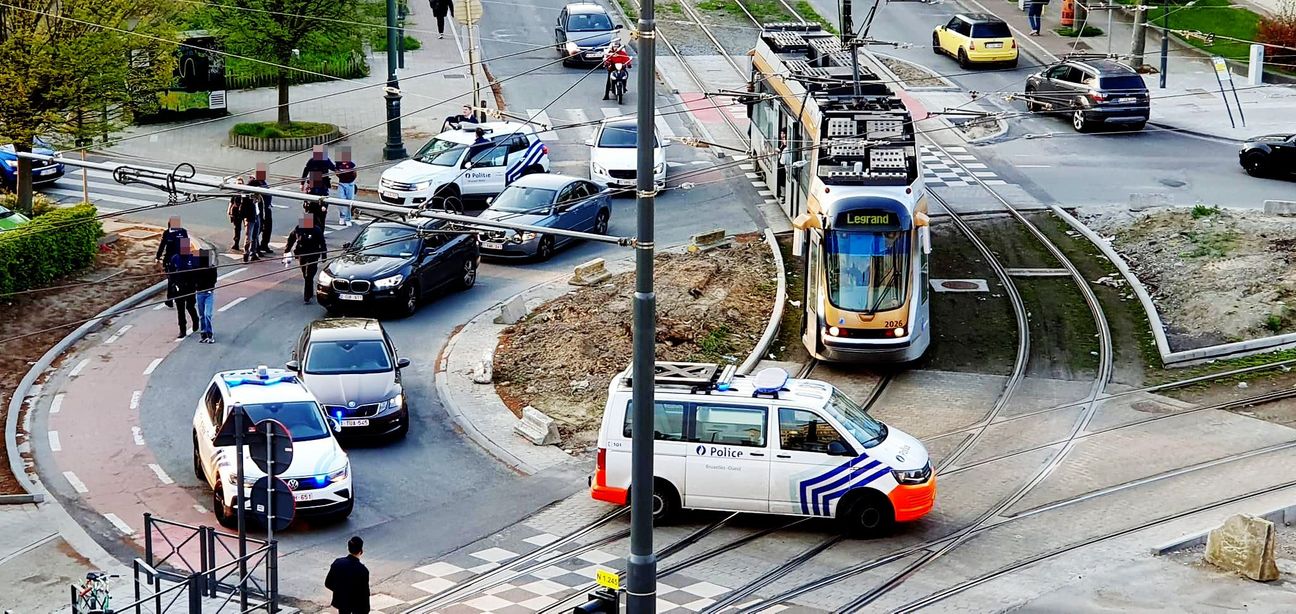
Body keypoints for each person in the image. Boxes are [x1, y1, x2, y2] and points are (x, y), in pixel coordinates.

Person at [285, 215, 327, 304]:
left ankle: (307, 296)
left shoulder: (316, 230)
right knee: (305, 274)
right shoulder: (299, 228)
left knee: (309, 274)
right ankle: (310, 291)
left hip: (313, 254)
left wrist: (324, 255)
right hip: (302, 254)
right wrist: (287, 250)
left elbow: (322, 243)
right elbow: (291, 238)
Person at [324, 536, 370, 614]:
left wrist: (340, 591)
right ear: (361, 551)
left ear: (348, 548)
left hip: (339, 604)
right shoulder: (363, 570)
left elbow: (328, 583)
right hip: (355, 608)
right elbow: (364, 595)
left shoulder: (337, 563)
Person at [169, 238, 202, 339]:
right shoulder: (175, 258)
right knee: (180, 309)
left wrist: (197, 285)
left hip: (190, 287)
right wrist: (172, 285)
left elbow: (198, 273)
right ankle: (182, 329)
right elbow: (171, 273)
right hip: (179, 288)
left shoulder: (193, 258)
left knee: (190, 306)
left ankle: (195, 320)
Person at [155, 216, 188, 308]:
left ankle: (175, 297)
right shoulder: (166, 233)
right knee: (171, 280)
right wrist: (158, 257)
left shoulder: (183, 232)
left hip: (180, 260)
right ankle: (170, 299)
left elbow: (186, 248)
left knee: (178, 279)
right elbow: (162, 246)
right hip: (169, 260)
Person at [194, 248, 218, 343]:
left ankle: (209, 334)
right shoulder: (197, 269)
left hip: (208, 293)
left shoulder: (212, 269)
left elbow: (214, 281)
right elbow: (194, 280)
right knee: (201, 315)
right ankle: (203, 334)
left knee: (207, 314)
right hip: (199, 293)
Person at [248, 170, 274, 255]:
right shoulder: (255, 182)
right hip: (260, 210)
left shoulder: (263, 182)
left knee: (268, 228)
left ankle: (264, 245)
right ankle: (256, 247)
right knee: (258, 229)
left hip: (267, 208)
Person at [335, 147, 358, 227]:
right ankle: (342, 217)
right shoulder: (338, 164)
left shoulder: (351, 164)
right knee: (341, 201)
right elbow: (336, 172)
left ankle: (348, 219)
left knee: (349, 202)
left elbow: (355, 173)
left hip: (350, 184)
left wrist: (351, 180)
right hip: (342, 184)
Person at [227, 179, 251, 252]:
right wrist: (229, 210)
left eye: (240, 183)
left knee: (247, 229)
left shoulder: (245, 192)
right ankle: (236, 243)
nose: (239, 185)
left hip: (243, 212)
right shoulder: (235, 192)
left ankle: (247, 245)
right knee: (237, 228)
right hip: (236, 212)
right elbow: (231, 202)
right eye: (238, 183)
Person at [242, 191, 263, 263]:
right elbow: (243, 208)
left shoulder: (258, 196)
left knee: (255, 236)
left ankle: (253, 254)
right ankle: (246, 253)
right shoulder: (247, 196)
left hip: (257, 216)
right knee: (249, 237)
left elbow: (260, 205)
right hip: (250, 218)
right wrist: (245, 219)